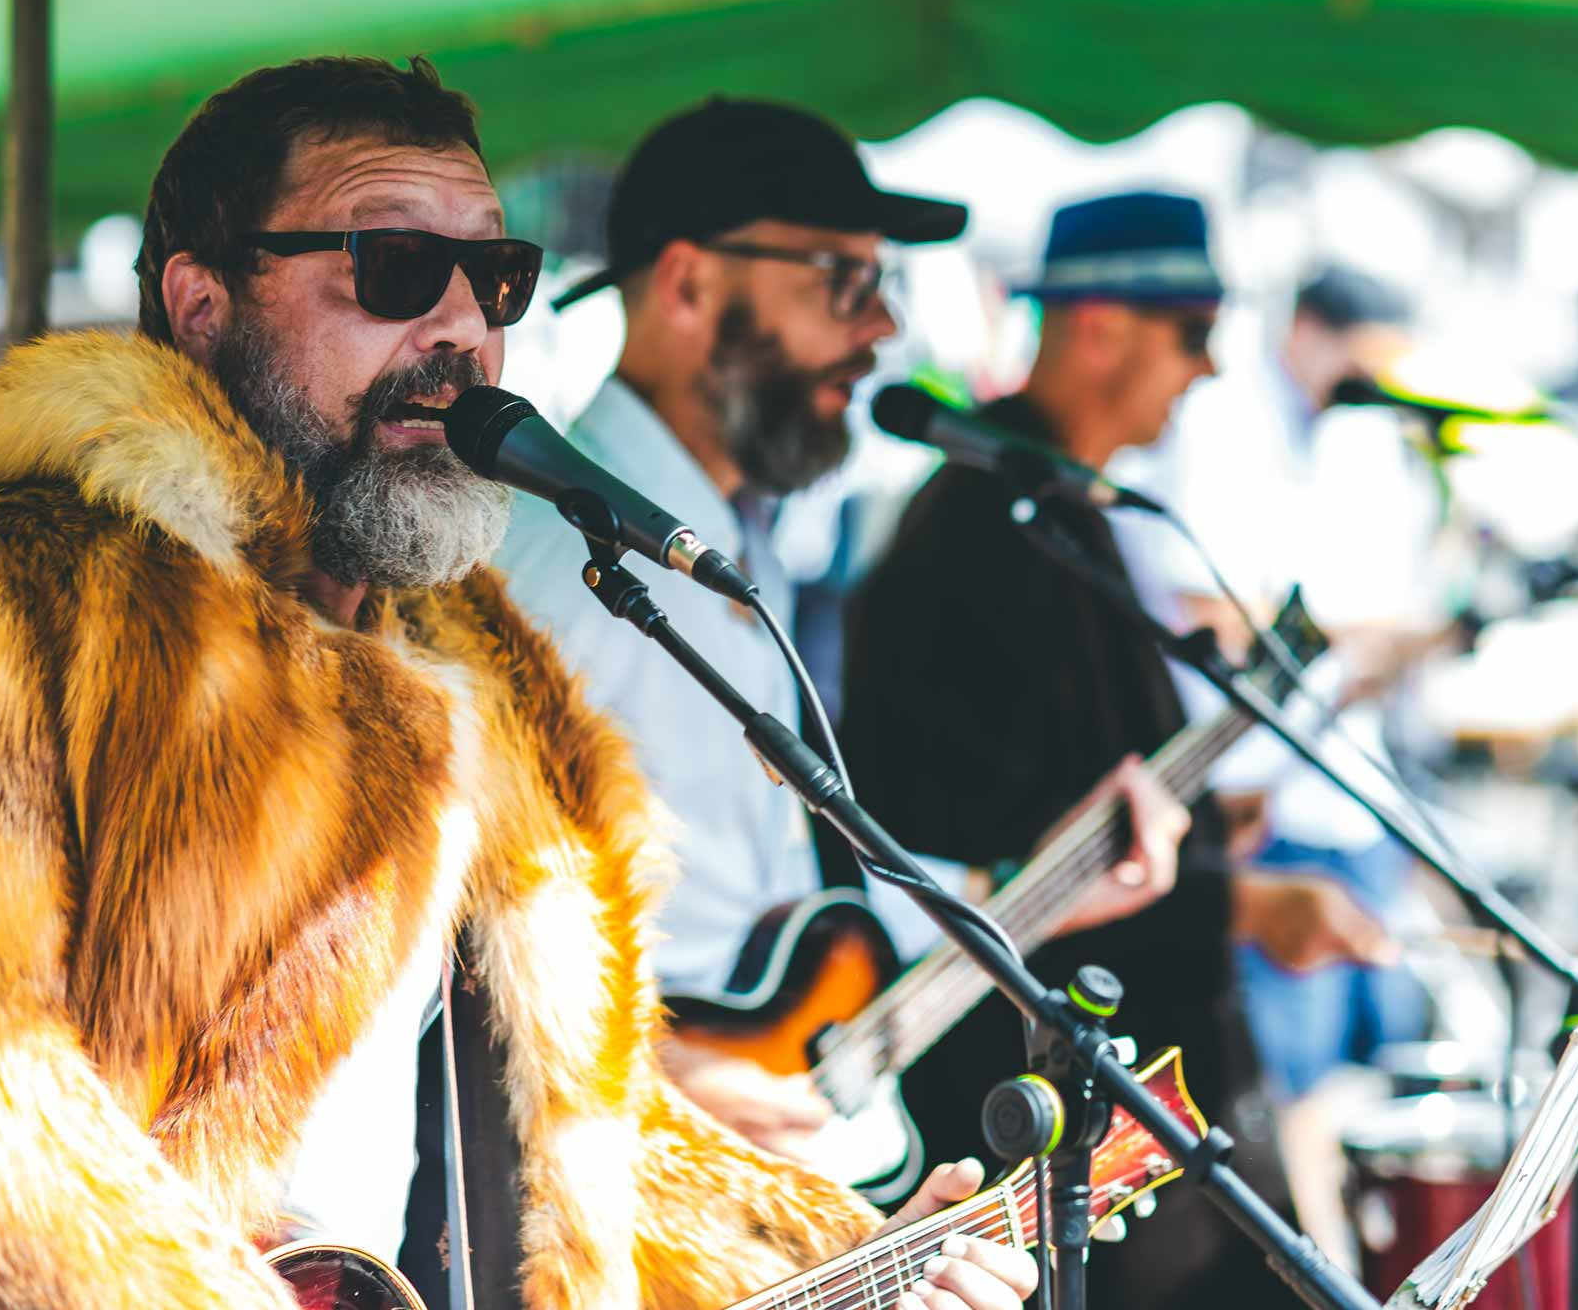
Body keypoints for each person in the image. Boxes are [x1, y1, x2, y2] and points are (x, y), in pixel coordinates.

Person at [0, 56, 1034, 1310]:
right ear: (202, 305)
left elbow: (577, 1136)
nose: (460, 327)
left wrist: (844, 1253)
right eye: (396, 267)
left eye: (497, 278)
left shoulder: (479, 665)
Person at [496, 101, 1187, 1168]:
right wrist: (649, 1074)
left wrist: (1029, 884)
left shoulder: (734, 540)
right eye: (843, 282)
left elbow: (791, 936)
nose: (882, 329)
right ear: (686, 285)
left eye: (884, 284)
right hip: (617, 1188)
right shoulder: (546, 564)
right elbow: (444, 934)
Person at [839, 193, 1394, 1310]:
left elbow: (1085, 784)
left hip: (1142, 1098)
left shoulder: (1060, 505)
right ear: (1099, 329)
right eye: (1192, 333)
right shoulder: (981, 527)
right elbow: (998, 854)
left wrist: (1208, 819)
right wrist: (1244, 903)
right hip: (1070, 1116)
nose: (1210, 368)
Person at [1142, 262, 1441, 1097]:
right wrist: (1352, 633)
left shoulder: (1359, 433)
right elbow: (1210, 610)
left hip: (1351, 787)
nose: (1369, 383)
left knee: (1385, 1047)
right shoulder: (1221, 421)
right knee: (1279, 1072)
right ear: (1306, 331)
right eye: (1359, 360)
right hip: (1254, 790)